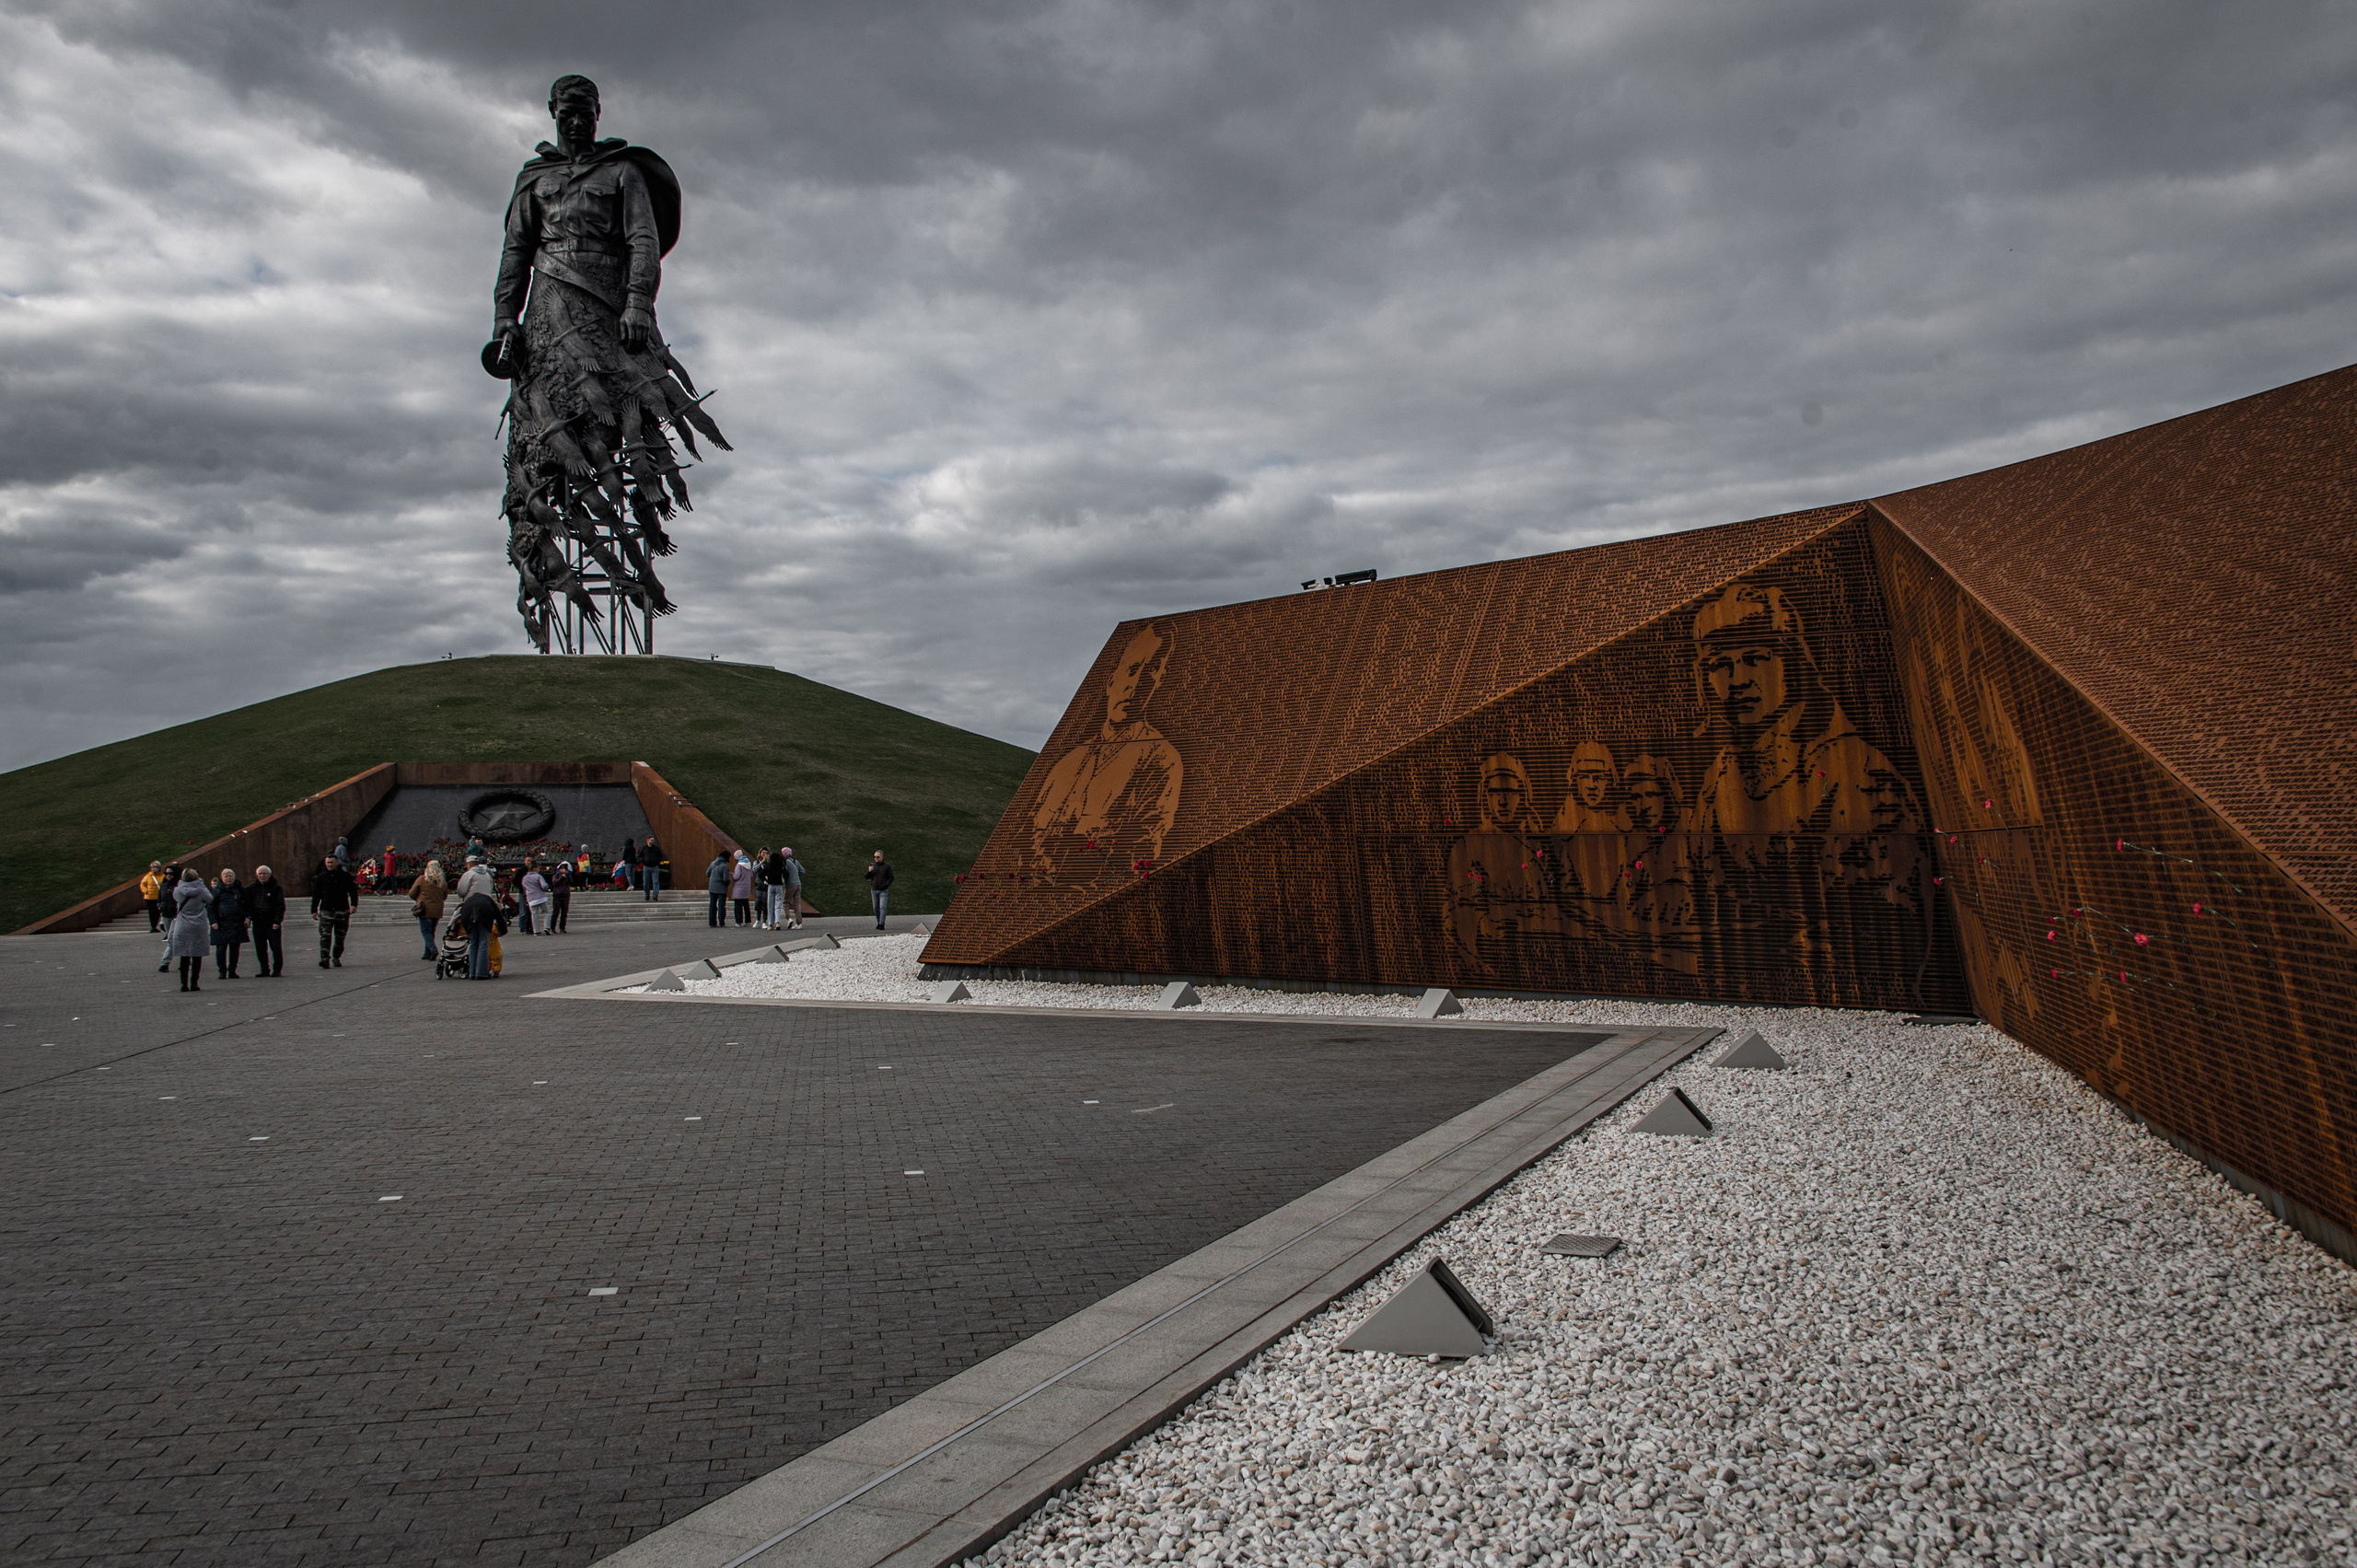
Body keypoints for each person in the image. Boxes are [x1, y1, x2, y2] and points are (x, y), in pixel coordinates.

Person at [1029, 621, 1184, 879]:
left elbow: (1145, 846)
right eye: (1133, 670)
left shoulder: (1161, 759)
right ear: (1112, 680)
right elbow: (1029, 830)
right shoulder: (1069, 761)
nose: (1135, 686)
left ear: (1159, 681)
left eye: (1151, 671)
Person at [310, 853, 359, 968]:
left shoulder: (345, 876)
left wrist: (354, 905)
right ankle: (324, 958)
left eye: (332, 862)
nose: (330, 865)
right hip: (326, 910)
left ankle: (336, 957)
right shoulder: (321, 878)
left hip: (342, 910)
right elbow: (316, 895)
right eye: (328, 862)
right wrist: (313, 910)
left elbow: (353, 891)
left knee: (340, 937)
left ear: (337, 863)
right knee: (325, 936)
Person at [168, 867, 212, 992]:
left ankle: (184, 984)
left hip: (183, 925)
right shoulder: (202, 890)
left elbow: (176, 899)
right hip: (198, 925)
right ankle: (194, 983)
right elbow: (210, 899)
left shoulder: (178, 891)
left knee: (184, 955)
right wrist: (201, 884)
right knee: (197, 955)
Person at [247, 864, 288, 977]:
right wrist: (249, 917)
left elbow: (281, 906)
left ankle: (277, 969)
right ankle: (264, 969)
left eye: (264, 873)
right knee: (260, 948)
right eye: (260, 874)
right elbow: (248, 905)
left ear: (269, 875)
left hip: (272, 923)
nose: (262, 876)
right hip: (258, 923)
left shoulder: (276, 888)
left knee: (275, 947)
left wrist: (277, 921)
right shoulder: (251, 889)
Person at [209, 866, 249, 980]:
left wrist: (247, 917)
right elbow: (210, 907)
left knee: (235, 949)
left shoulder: (240, 889)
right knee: (221, 949)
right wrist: (213, 921)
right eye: (226, 876)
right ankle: (222, 970)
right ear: (222, 878)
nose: (228, 878)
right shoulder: (216, 891)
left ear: (234, 877)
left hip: (237, 923)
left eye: (230, 876)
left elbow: (247, 904)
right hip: (222, 924)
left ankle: (232, 970)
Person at [408, 858, 449, 960]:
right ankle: (427, 953)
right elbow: (444, 896)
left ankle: (433, 949)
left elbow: (412, 893)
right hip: (437, 910)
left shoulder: (422, 879)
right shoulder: (442, 882)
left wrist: (418, 899)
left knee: (425, 931)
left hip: (424, 909)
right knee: (431, 931)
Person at [459, 882, 501, 980]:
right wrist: (503, 930)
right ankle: (481, 973)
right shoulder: (487, 900)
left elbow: (463, 916)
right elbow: (498, 915)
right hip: (484, 917)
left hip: (469, 918)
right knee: (483, 943)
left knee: (473, 943)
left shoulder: (468, 901)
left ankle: (472, 972)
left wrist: (467, 931)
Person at [865, 850, 893, 929]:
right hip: (874, 890)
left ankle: (881, 924)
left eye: (878, 857)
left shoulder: (887, 866)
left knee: (883, 907)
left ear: (882, 857)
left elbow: (891, 877)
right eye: (875, 857)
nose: (876, 858)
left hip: (883, 890)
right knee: (875, 908)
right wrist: (869, 871)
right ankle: (879, 921)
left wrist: (886, 885)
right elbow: (866, 877)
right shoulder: (872, 866)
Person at [780, 846, 805, 929]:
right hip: (798, 884)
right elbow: (802, 871)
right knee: (797, 904)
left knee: (785, 902)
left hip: (790, 885)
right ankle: (799, 923)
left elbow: (785, 874)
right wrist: (796, 876)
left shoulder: (786, 862)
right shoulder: (795, 861)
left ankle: (789, 918)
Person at [523, 864, 552, 935]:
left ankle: (536, 931)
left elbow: (524, 887)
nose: (539, 870)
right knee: (546, 912)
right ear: (534, 868)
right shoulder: (538, 876)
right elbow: (544, 885)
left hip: (531, 898)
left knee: (534, 914)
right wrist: (545, 889)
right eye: (538, 868)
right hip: (541, 897)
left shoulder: (525, 878)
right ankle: (547, 927)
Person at [728, 850, 754, 926]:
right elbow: (751, 875)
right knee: (746, 905)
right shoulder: (749, 863)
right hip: (746, 887)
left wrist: (732, 874)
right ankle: (748, 921)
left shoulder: (739, 865)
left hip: (739, 888)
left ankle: (739, 921)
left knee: (738, 906)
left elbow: (737, 876)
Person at [548, 856, 572, 934]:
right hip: (557, 896)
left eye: (564, 869)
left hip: (565, 896)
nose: (563, 870)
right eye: (561, 869)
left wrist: (568, 876)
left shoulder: (568, 876)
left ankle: (562, 928)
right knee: (555, 913)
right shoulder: (556, 876)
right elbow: (555, 883)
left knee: (564, 913)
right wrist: (562, 877)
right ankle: (552, 928)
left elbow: (572, 882)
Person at [705, 852, 729, 927]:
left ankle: (712, 923)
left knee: (712, 905)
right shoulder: (724, 867)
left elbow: (707, 873)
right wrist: (729, 882)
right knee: (721, 906)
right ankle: (721, 922)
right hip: (721, 889)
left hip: (712, 887)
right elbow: (726, 879)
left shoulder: (713, 864)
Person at [140, 861, 166, 931]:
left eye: (155, 867)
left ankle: (157, 925)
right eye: (152, 867)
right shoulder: (148, 876)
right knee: (152, 912)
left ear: (159, 868)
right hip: (150, 897)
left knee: (158, 912)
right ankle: (153, 926)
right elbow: (143, 884)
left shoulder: (163, 876)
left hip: (158, 897)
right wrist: (146, 891)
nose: (153, 869)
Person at [641, 833, 663, 900]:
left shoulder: (656, 848)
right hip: (646, 866)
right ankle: (647, 895)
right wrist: (643, 861)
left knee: (655, 881)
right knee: (645, 882)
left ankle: (655, 895)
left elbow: (660, 856)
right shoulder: (644, 848)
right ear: (648, 840)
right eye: (651, 840)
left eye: (653, 840)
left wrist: (657, 861)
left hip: (654, 867)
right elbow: (640, 856)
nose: (653, 841)